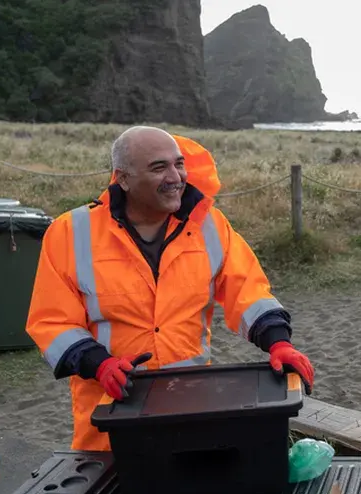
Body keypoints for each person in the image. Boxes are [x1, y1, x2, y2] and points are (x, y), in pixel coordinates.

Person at [26, 126, 315, 451]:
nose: (175, 176)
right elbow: (52, 321)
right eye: (158, 167)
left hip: (191, 412)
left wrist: (279, 343)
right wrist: (99, 363)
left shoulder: (210, 226)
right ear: (122, 178)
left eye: (178, 164)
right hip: (110, 419)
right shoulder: (70, 233)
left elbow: (248, 291)